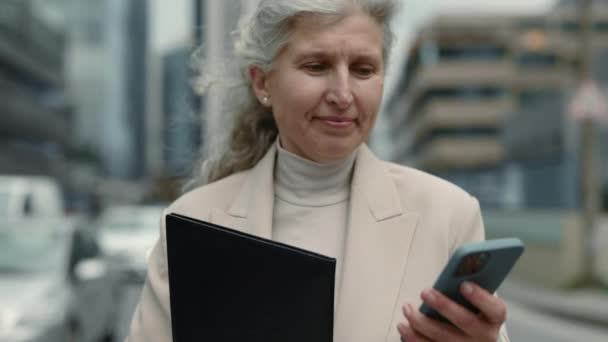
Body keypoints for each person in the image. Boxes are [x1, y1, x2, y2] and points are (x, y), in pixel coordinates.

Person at [126, 0, 510, 341]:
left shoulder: (448, 217)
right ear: (263, 83)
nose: (343, 95)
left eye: (363, 69)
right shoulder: (192, 222)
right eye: (316, 66)